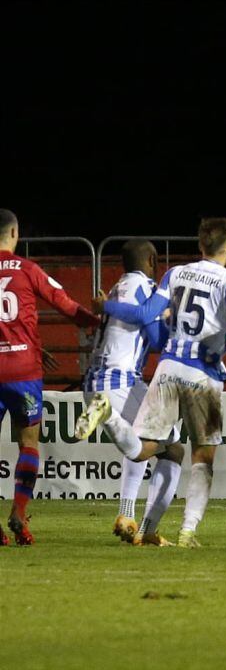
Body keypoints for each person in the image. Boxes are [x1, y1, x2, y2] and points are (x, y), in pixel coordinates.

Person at [77, 217, 226, 548]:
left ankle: (136, 517)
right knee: (193, 454)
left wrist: (107, 307)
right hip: (187, 373)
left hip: (144, 371)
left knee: (154, 446)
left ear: (200, 245)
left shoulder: (156, 279)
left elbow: (141, 317)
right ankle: (171, 528)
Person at [0, 209, 99, 545]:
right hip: (23, 370)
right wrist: (99, 322)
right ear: (14, 233)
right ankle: (19, 513)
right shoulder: (28, 269)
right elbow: (66, 305)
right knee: (28, 443)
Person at [81, 239, 184, 545]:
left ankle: (128, 516)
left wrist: (164, 320)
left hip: (98, 381)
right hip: (118, 382)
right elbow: (152, 333)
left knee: (159, 444)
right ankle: (148, 529)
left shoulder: (117, 288)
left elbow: (149, 333)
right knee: (163, 448)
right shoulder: (146, 290)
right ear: (152, 260)